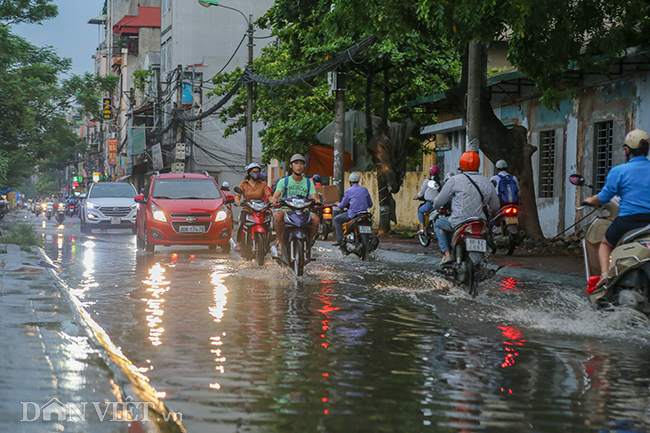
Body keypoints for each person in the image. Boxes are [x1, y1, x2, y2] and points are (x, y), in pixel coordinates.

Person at [584, 129, 650, 288]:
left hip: (629, 220)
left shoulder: (619, 171)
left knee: (605, 244)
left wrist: (590, 200)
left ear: (627, 150)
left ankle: (605, 275)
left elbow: (604, 197)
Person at [433, 151, 500, 266]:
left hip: (459, 222)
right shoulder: (486, 182)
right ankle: (484, 258)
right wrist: (488, 210)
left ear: (461, 165)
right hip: (479, 223)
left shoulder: (454, 180)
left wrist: (436, 206)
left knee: (438, 223)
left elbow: (438, 202)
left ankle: (447, 255)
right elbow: (495, 206)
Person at [272, 154, 320, 255]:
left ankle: (309, 240)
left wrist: (317, 201)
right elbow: (276, 195)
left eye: (301, 164)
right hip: (287, 209)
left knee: (316, 219)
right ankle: (280, 242)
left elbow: (314, 197)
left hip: (304, 210)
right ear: (291, 166)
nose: (299, 166)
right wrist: (274, 199)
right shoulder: (284, 181)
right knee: (277, 216)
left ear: (304, 166)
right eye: (296, 163)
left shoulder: (309, 183)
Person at [235, 163, 272, 250]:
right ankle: (238, 242)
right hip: (247, 208)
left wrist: (272, 201)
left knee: (267, 223)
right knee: (243, 222)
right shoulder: (243, 184)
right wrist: (237, 201)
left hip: (260, 208)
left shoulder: (263, 184)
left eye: (257, 172)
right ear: (249, 173)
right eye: (253, 172)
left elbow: (268, 195)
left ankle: (267, 244)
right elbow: (238, 195)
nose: (255, 173)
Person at [332, 173, 373, 246]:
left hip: (353, 215)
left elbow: (342, 205)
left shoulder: (348, 191)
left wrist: (337, 203)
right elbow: (370, 204)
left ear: (350, 182)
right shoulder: (364, 190)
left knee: (336, 219)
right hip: (364, 215)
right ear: (358, 181)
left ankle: (340, 241)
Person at [413, 165, 441, 234]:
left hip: (430, 204)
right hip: (440, 204)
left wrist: (417, 197)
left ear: (430, 173)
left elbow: (421, 193)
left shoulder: (427, 182)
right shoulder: (441, 182)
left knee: (420, 211)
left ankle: (422, 228)